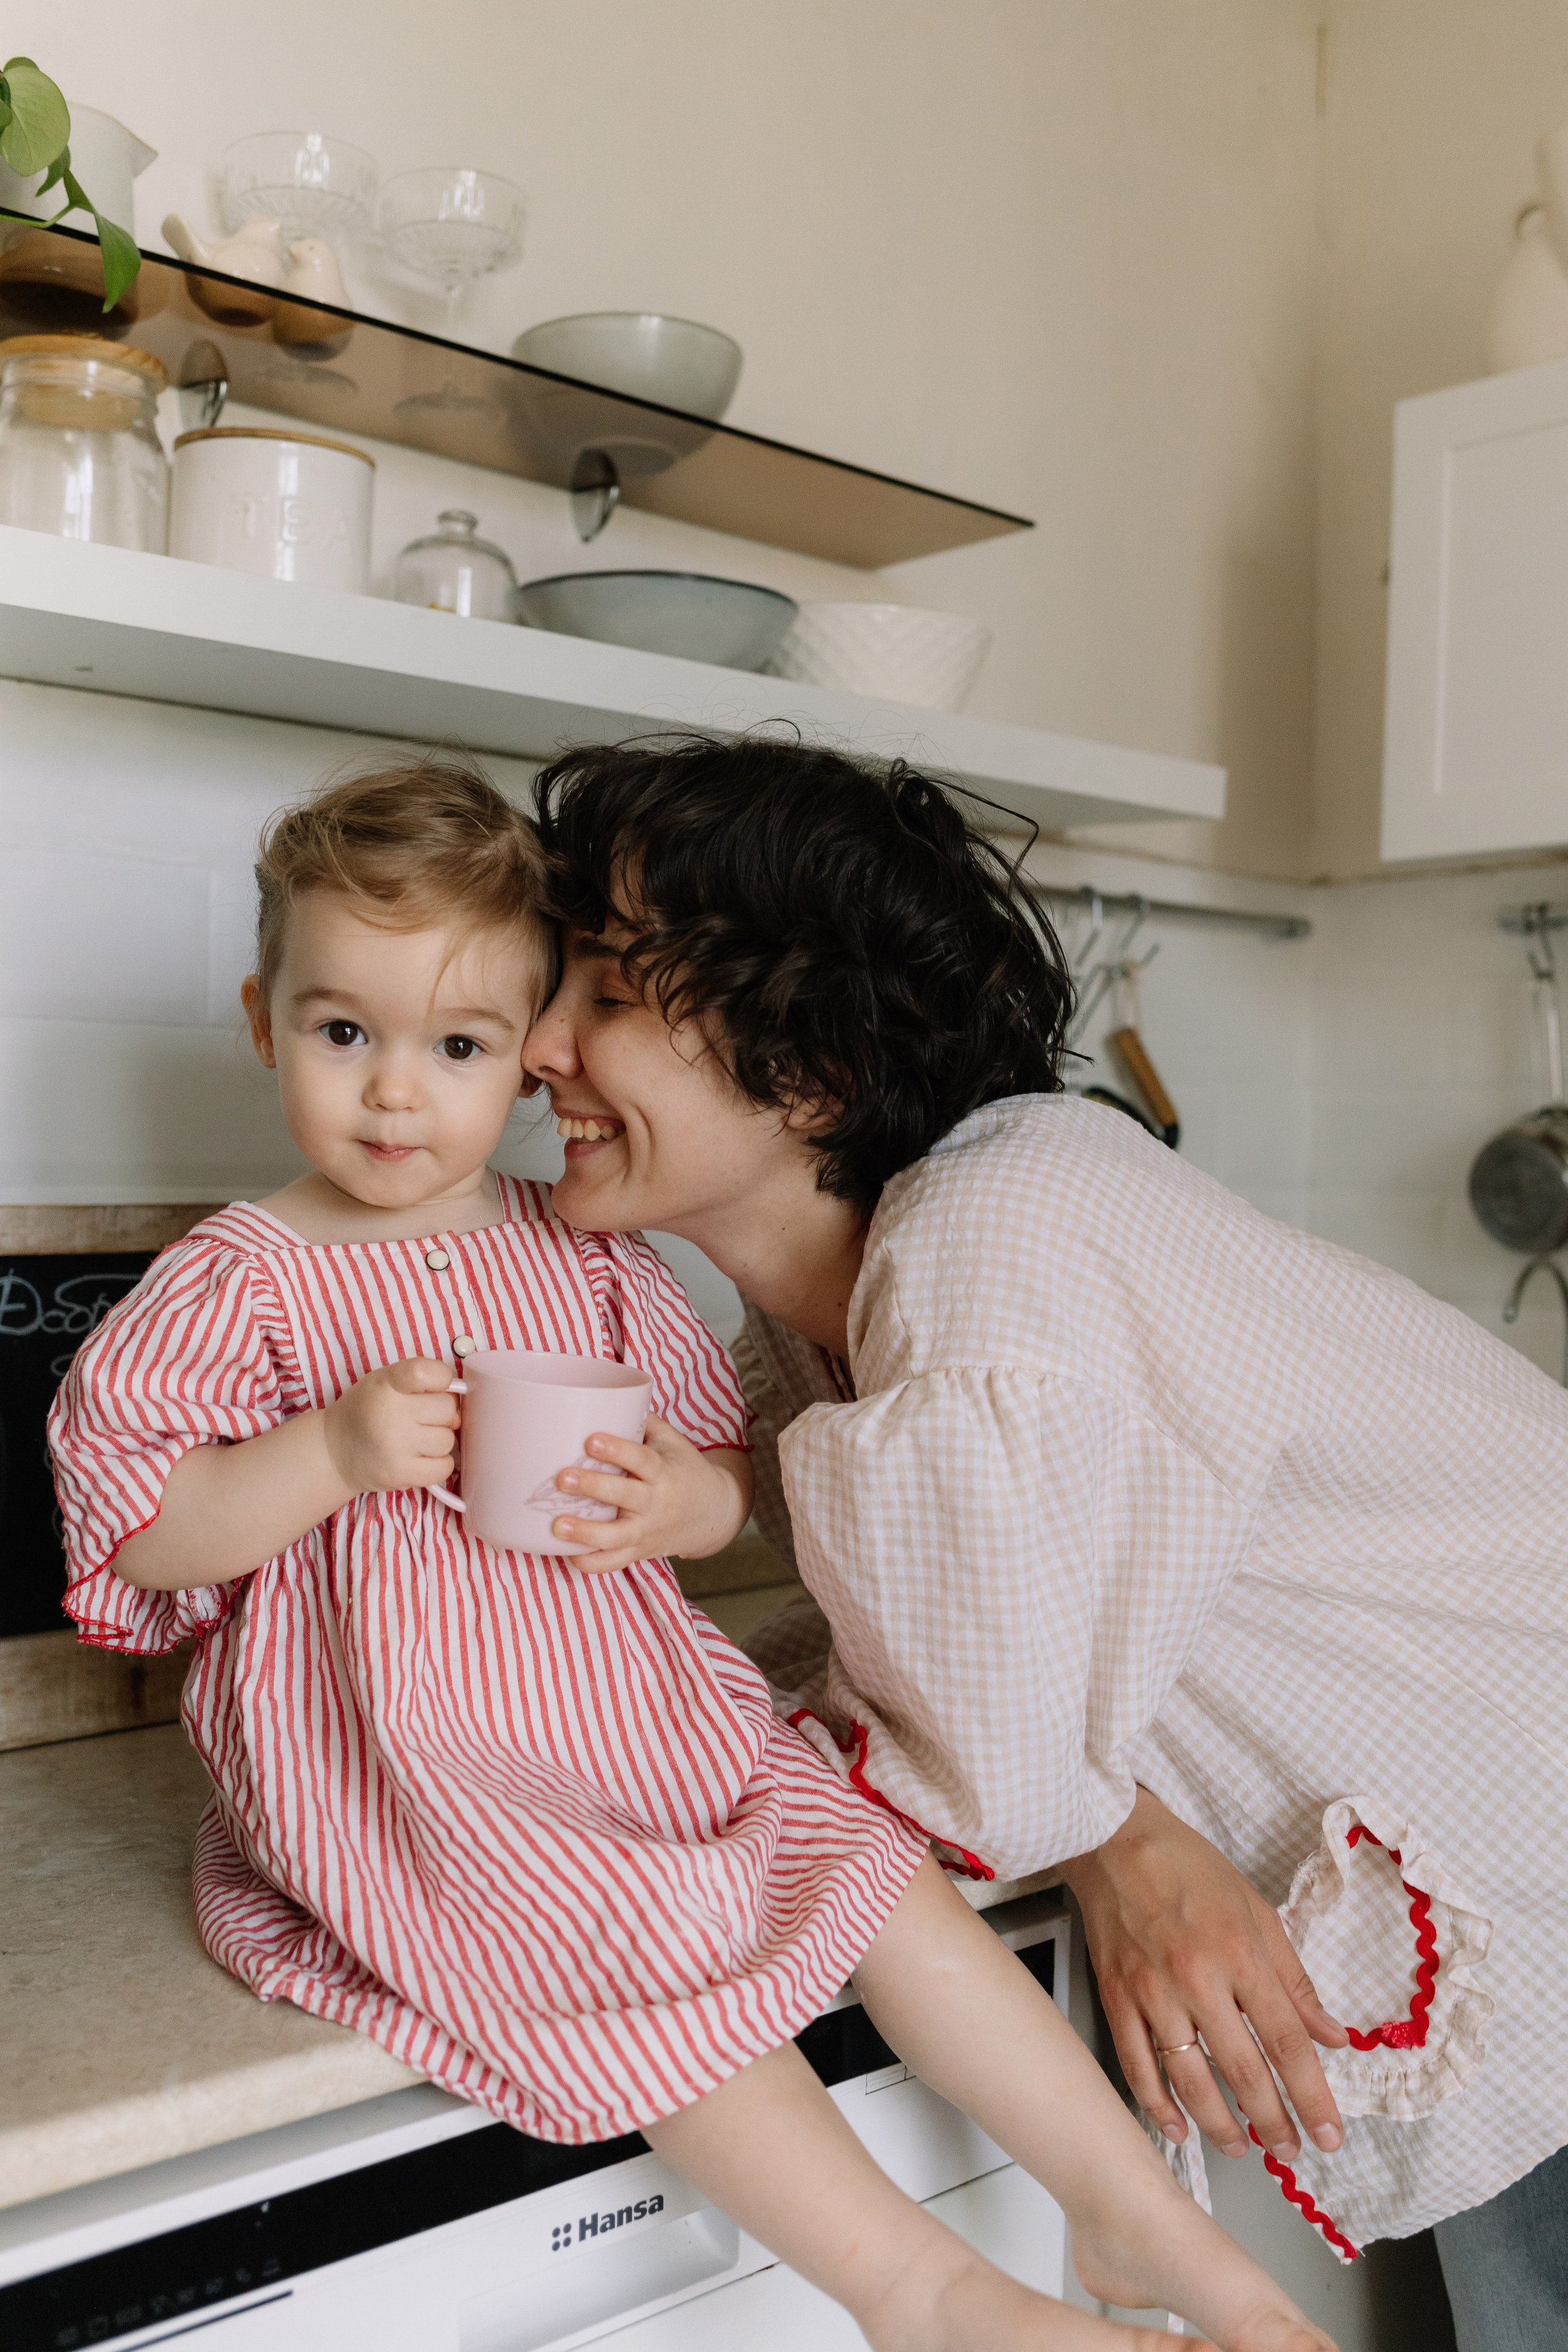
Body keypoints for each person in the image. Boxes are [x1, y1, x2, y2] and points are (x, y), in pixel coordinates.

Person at [50, 757, 1336, 2352]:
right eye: (342, 1034)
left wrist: (685, 1505)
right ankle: (922, 2293)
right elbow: (142, 1529)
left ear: (525, 1051)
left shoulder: (578, 1251)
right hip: (422, 1769)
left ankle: (1131, 2212)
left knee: (873, 1867)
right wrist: (328, 1455)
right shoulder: (237, 1281)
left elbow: (728, 1462)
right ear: (264, 1022)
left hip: (640, 1718)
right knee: (627, 1938)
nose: (395, 1094)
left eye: (456, 1046)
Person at [525, 731, 1568, 2351]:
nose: (538, 1046)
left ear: (810, 1070)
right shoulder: (836, 1310)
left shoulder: (990, 1243)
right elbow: (946, 1654)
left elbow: (989, 1748)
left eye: (603, 990)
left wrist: (1106, 1833)